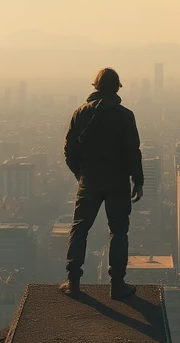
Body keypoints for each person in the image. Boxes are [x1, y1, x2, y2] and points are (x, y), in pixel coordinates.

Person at [60, 67, 143, 299]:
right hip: (117, 181)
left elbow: (69, 149)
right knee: (118, 232)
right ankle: (117, 285)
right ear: (117, 88)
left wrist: (81, 174)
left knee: (80, 229)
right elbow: (132, 152)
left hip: (90, 180)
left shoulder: (81, 113)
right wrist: (138, 181)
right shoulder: (125, 116)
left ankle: (73, 281)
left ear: (95, 86)